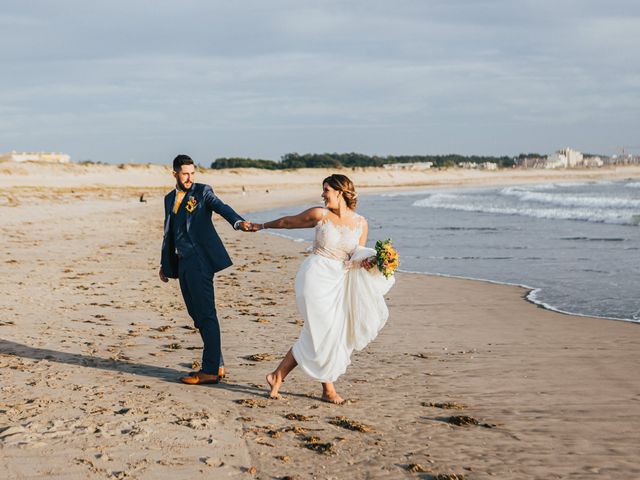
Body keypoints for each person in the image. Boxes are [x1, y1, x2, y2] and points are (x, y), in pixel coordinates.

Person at [246, 174, 394, 404]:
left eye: (326, 190)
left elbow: (358, 255)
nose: (323, 195)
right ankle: (326, 389)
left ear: (340, 192)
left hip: (341, 279)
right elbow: (288, 222)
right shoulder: (320, 214)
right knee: (322, 330)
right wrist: (261, 225)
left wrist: (372, 261)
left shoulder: (361, 223)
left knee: (330, 332)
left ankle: (279, 376)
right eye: (323, 190)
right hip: (316, 276)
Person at [159, 154, 250, 385]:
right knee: (197, 316)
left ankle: (209, 370)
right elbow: (168, 234)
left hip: (200, 261)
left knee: (207, 314)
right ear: (175, 174)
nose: (189, 178)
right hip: (182, 263)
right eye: (184, 173)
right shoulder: (169, 198)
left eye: (192, 173)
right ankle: (217, 364)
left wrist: (237, 222)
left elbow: (221, 207)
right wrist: (165, 264)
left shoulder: (202, 191)